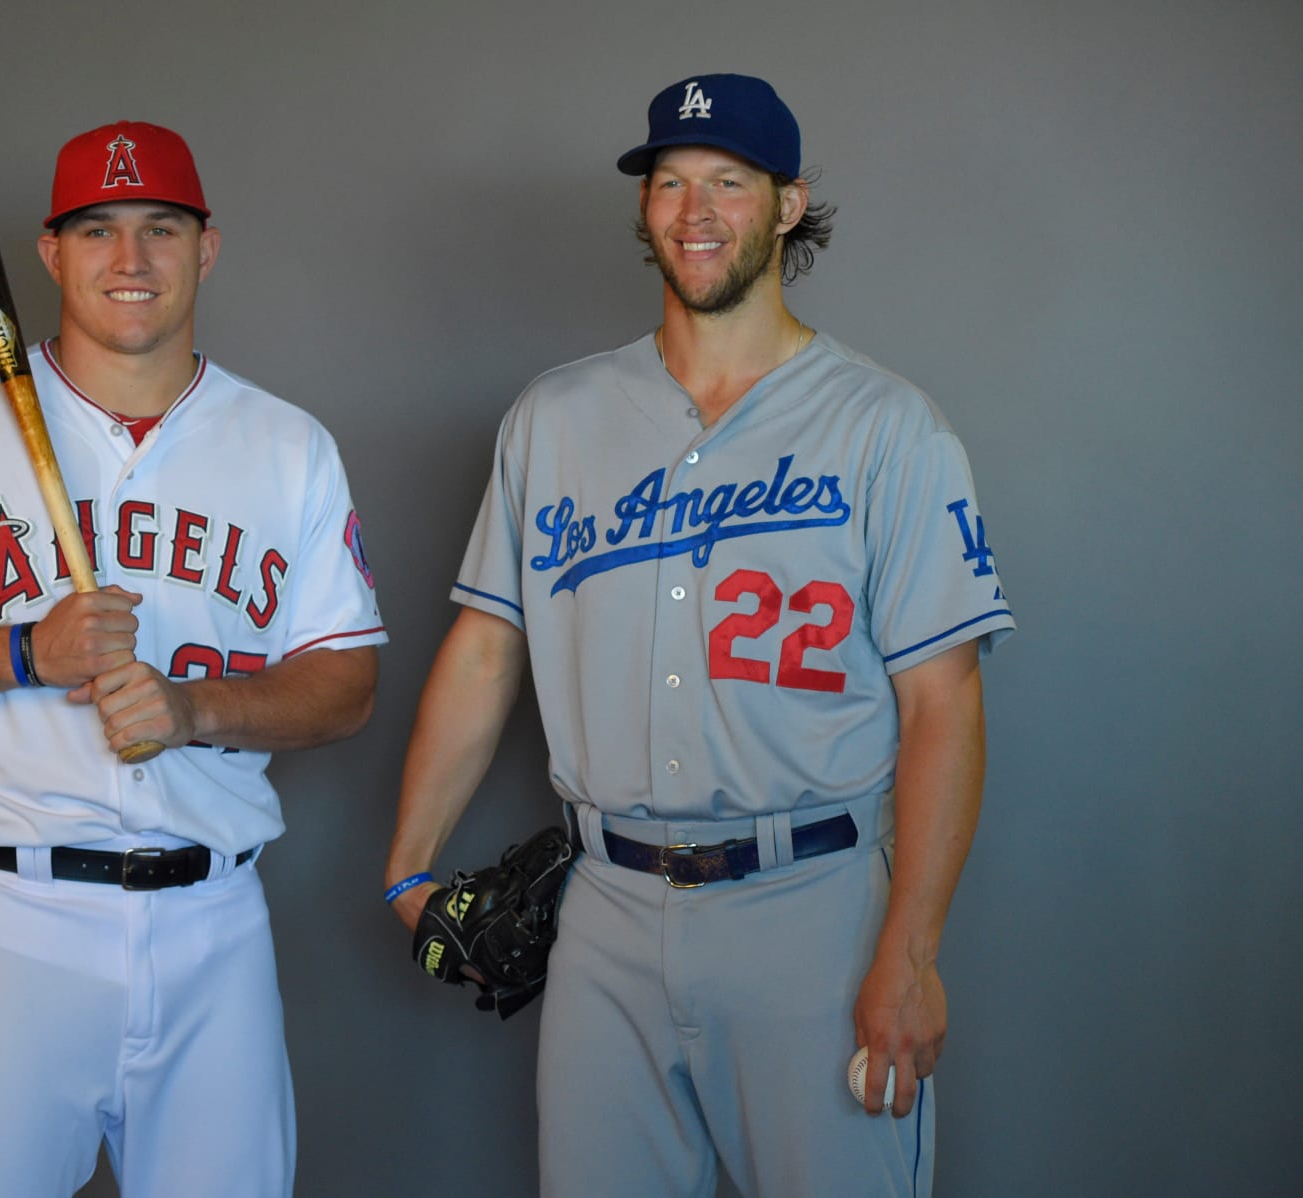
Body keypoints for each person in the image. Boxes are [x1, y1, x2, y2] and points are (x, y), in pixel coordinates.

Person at [384, 73, 1013, 1197]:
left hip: (811, 914)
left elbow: (944, 703)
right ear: (644, 210)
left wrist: (910, 954)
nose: (695, 210)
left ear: (786, 204)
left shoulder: (888, 427)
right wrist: (405, 870)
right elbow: (486, 652)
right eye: (669, 183)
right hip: (606, 917)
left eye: (729, 180)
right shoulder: (556, 416)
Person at [0, 119, 385, 1198]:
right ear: (49, 252)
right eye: (98, 229)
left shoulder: (287, 446)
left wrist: (197, 711)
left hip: (215, 922)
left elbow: (344, 684)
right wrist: (27, 648)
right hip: (17, 923)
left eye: (160, 228)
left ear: (205, 248)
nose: (130, 259)